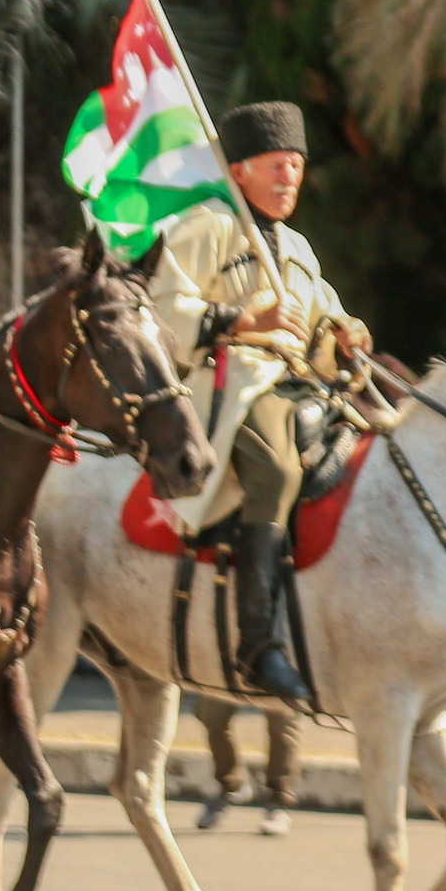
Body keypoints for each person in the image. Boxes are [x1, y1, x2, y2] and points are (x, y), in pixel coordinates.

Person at [148, 102, 370, 703]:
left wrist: (345, 335)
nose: (289, 177)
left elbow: (321, 325)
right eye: (276, 166)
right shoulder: (207, 227)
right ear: (239, 170)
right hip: (231, 383)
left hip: (301, 386)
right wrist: (244, 318)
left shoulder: (298, 247)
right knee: (275, 467)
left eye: (296, 166)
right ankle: (257, 644)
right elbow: (161, 310)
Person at [194, 698, 298, 836]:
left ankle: (278, 799)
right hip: (231, 675)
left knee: (281, 721)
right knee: (212, 715)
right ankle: (231, 785)